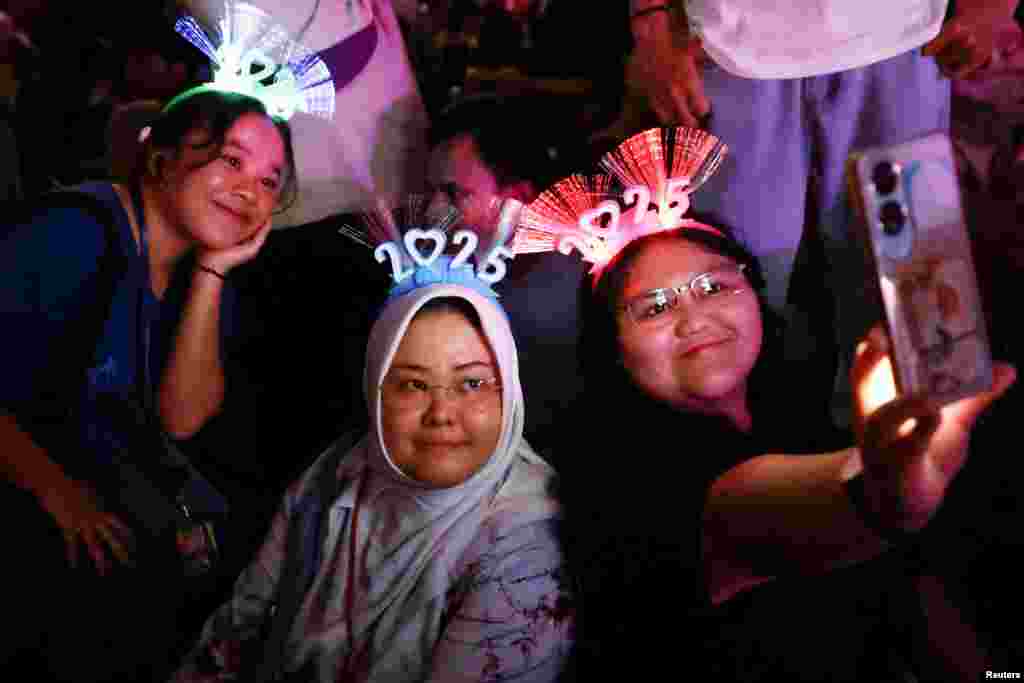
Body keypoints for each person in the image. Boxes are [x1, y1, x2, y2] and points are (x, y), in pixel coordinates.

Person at [558, 217, 1016, 680]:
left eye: (714, 287)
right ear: (613, 348)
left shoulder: (805, 421)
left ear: (756, 296)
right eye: (654, 308)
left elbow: (912, 597)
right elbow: (759, 510)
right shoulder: (635, 493)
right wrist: (884, 492)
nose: (693, 318)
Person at [0, 87, 297, 681]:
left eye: (270, 180)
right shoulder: (74, 234)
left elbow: (181, 419)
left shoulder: (202, 267)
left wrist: (214, 272)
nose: (249, 190)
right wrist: (55, 491)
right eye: (231, 160)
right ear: (161, 157)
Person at [625, 0, 1021, 425]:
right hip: (730, 45)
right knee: (733, 269)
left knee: (913, 274)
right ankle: (738, 458)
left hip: (902, 37)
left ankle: (922, 447)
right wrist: (652, 20)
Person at [172, 268, 572, 681]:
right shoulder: (336, 473)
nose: (442, 414)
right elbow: (237, 626)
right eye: (413, 385)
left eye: (472, 383)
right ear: (375, 389)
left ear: (509, 390)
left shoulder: (530, 547)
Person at [426, 94, 590, 463]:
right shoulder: (439, 282)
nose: (433, 211)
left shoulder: (584, 289)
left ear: (517, 200)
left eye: (453, 194)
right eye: (430, 192)